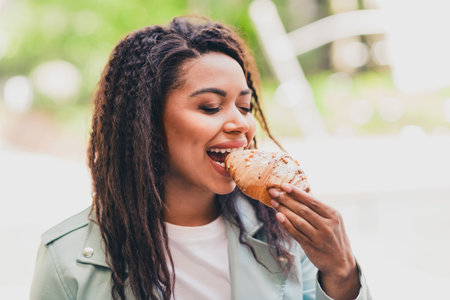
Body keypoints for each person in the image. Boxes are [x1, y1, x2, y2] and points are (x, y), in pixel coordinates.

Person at [30, 16, 371, 300]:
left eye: (244, 106)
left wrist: (341, 272)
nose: (241, 123)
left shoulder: (284, 235)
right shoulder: (67, 258)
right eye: (210, 106)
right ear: (146, 123)